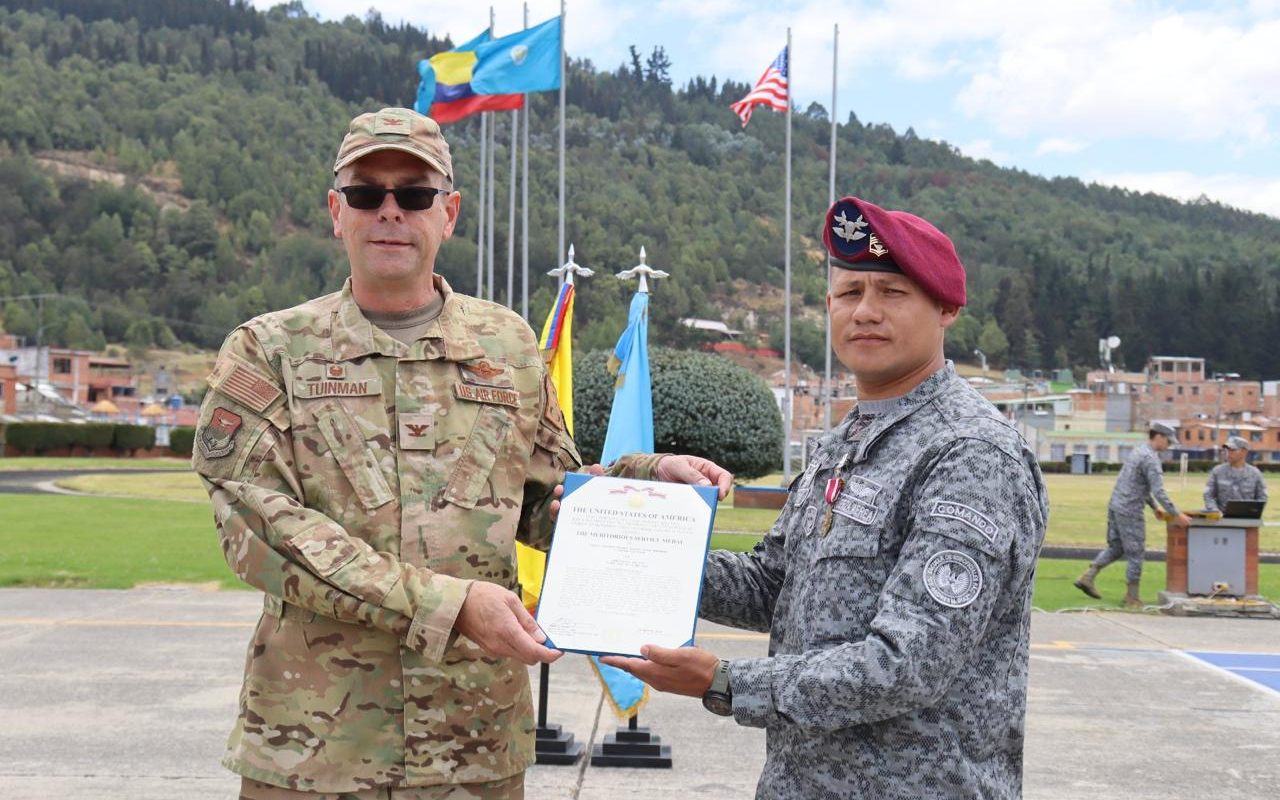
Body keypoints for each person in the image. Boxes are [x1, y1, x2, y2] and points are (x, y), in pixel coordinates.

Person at [192, 107, 727, 800]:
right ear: (336, 211)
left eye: (414, 194)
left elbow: (544, 500)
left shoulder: (507, 347)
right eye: (366, 193)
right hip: (315, 751)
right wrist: (449, 604)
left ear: (448, 213)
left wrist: (650, 485)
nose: (390, 211)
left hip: (473, 750)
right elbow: (262, 534)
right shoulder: (268, 351)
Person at [602, 197, 1049, 800]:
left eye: (892, 292)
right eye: (849, 293)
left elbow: (907, 664)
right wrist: (638, 548)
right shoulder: (846, 441)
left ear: (945, 307)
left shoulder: (969, 454)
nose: (866, 311)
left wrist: (727, 681)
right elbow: (774, 586)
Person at [1074, 422, 1190, 608]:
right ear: (1159, 436)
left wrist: (1153, 507)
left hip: (1116, 504)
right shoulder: (1151, 458)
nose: (1169, 446)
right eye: (1168, 441)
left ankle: (1089, 576)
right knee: (1136, 552)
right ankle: (1132, 596)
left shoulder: (1138, 452)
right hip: (1130, 509)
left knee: (1117, 547)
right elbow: (1158, 490)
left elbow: (1139, 484)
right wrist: (1176, 514)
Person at [1203, 436, 1268, 513]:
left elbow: (1262, 497)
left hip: (1246, 520)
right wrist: (1215, 512)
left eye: (1232, 450)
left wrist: (1254, 514)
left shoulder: (1255, 473)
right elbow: (1208, 495)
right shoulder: (1217, 471)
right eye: (1227, 450)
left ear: (1244, 451)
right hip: (1221, 520)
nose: (1228, 453)